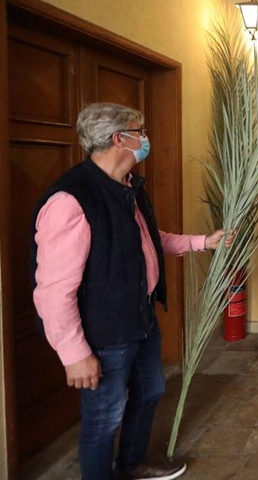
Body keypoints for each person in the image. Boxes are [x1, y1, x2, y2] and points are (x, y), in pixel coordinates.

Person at [30, 103, 232, 480]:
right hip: (105, 332)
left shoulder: (128, 189)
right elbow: (53, 291)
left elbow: (151, 242)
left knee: (150, 391)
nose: (146, 139)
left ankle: (133, 463)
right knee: (104, 417)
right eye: (140, 131)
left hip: (140, 318)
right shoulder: (72, 200)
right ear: (119, 138)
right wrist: (74, 353)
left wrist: (204, 241)